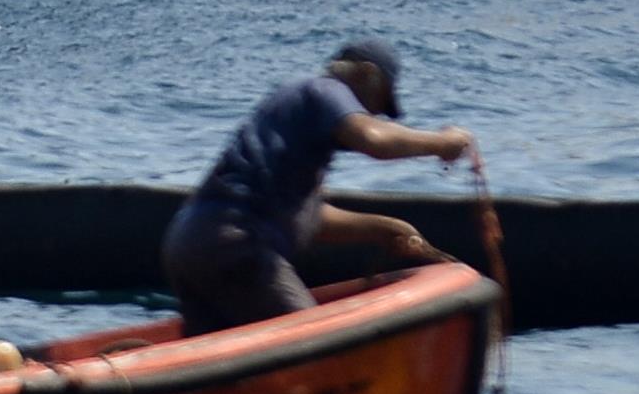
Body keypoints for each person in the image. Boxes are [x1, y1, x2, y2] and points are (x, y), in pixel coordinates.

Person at [163, 38, 478, 336]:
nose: (374, 115)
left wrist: (386, 229)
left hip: (190, 244)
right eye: (378, 104)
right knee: (312, 343)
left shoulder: (293, 116)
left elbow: (308, 218)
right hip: (237, 246)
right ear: (366, 74)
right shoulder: (325, 90)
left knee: (224, 371)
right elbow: (375, 140)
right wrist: (444, 143)